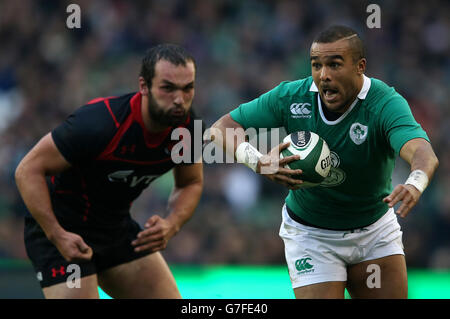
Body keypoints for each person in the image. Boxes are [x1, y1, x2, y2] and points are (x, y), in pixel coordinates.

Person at [211, 25, 439, 299]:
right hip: (312, 235)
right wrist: (259, 161)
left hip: (374, 232)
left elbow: (422, 153)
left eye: (334, 64)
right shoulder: (292, 97)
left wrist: (415, 182)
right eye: (316, 65)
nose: (324, 75)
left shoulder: (384, 103)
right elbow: (221, 128)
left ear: (360, 66)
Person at [15, 44, 204, 299]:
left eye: (187, 88)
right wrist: (56, 234)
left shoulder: (189, 130)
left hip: (115, 228)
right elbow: (27, 170)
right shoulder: (101, 123)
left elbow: (190, 183)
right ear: (144, 86)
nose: (179, 99)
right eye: (168, 88)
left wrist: (172, 224)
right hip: (61, 230)